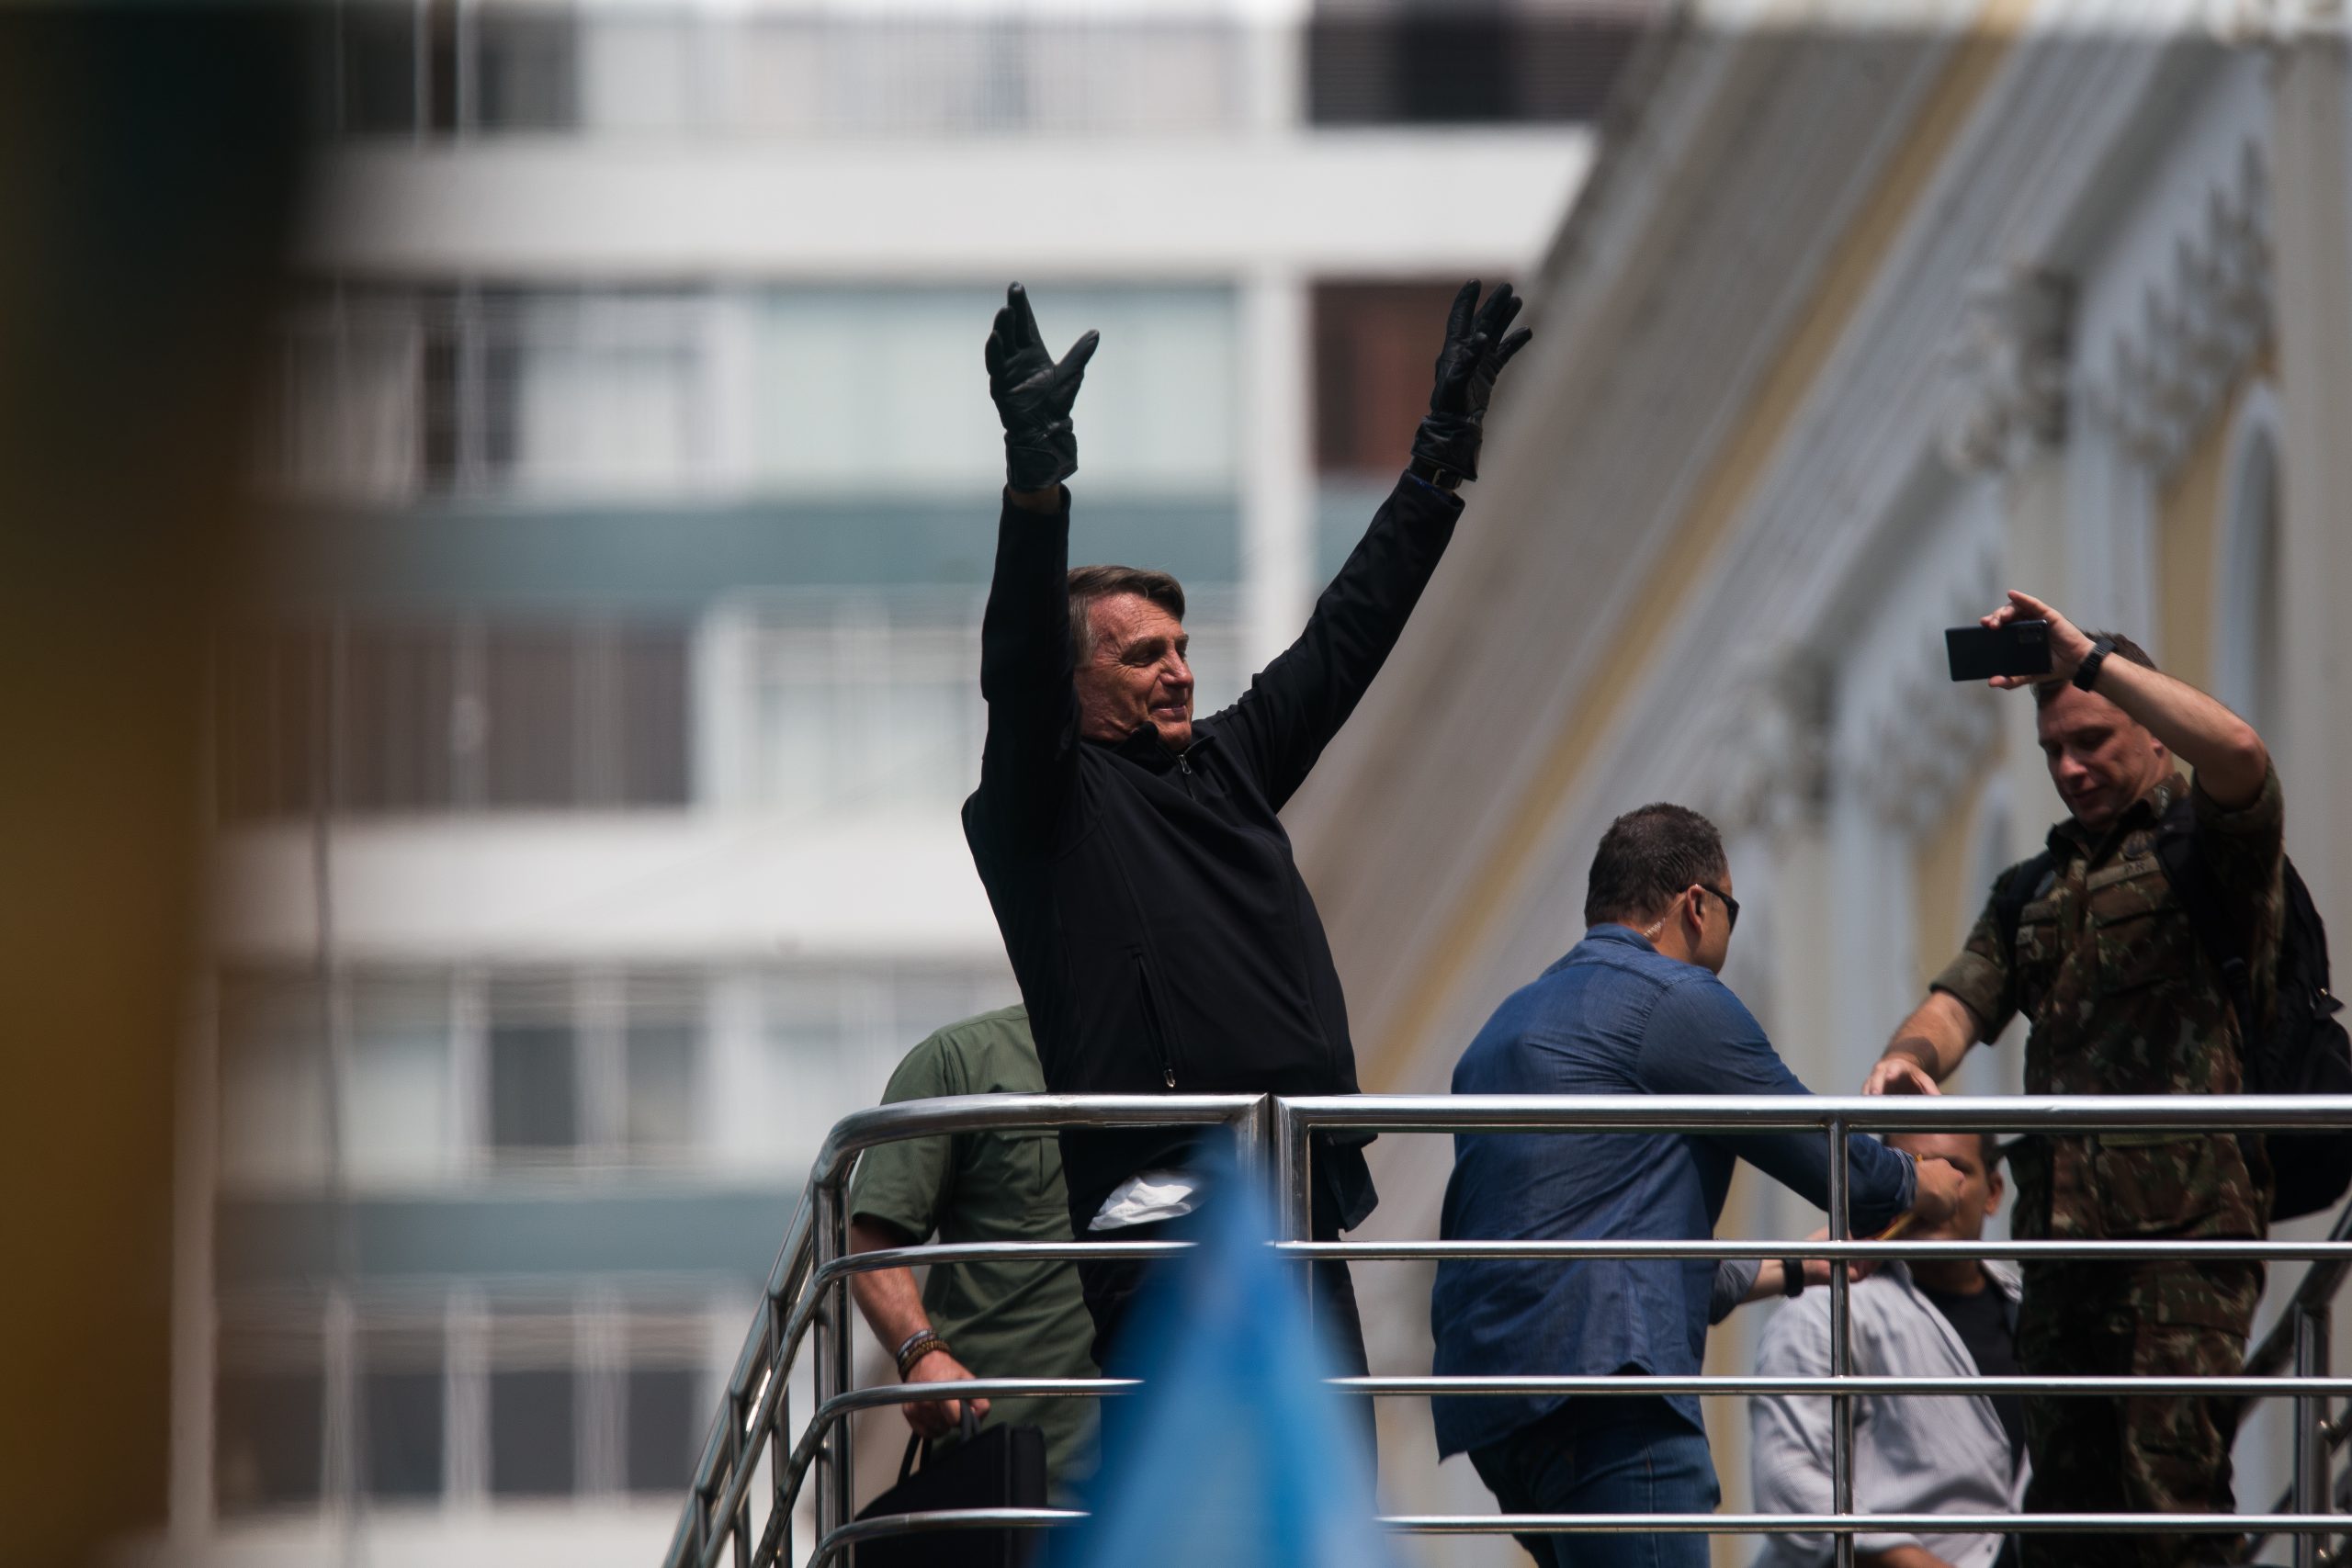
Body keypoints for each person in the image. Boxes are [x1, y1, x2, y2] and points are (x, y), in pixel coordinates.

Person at [961, 278, 1533, 1384]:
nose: (1177, 670)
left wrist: (1438, 461)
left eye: (1182, 648)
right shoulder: (1046, 803)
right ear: (1075, 682)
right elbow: (1017, 670)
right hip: (1164, 1221)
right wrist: (1037, 487)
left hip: (1294, 1197)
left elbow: (1347, 635)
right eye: (1141, 656)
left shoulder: (1228, 763)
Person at [1860, 596, 2282, 1568]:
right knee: (2066, 1510)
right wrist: (1910, 1060)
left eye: (2090, 739)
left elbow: (2243, 756)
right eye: (2052, 750)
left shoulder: (2204, 847)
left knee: (2169, 1493)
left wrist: (2084, 657)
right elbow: (1956, 1003)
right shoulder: (2031, 891)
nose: (2068, 768)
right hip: (2059, 1250)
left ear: (2145, 725)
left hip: (2179, 1241)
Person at [1430, 803, 1964, 1568]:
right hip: (1615, 1402)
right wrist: (1927, 1182)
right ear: (1696, 904)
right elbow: (1834, 1162)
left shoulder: (1503, 1032)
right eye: (1730, 910)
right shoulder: (1675, 1001)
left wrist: (1792, 1267)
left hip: (1503, 1416)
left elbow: (1597, 1251)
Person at [845, 1006, 1099, 1498]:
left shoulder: (1200, 1066)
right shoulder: (960, 1061)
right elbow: (870, 1242)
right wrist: (919, 1353)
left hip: (1172, 1496)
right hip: (1007, 1480)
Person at [1751, 1132, 2028, 1568]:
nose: (1935, 1194)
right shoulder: (1826, 1309)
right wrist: (1908, 1559)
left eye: (1954, 1171)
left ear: (1993, 1193)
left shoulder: (2032, 1314)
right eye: (1916, 1169)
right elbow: (1789, 1481)